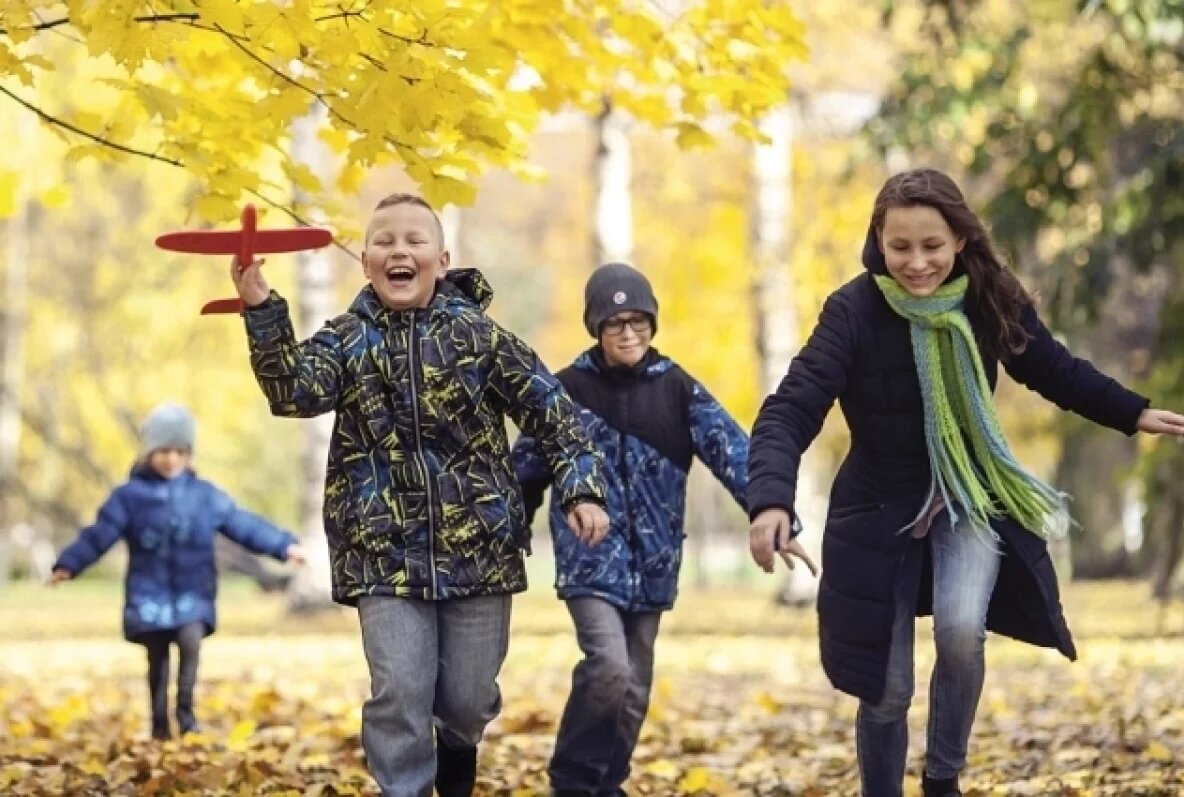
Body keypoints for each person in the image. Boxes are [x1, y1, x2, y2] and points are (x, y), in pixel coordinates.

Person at [746, 168, 1184, 797]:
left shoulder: (988, 296)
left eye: (932, 245)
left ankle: (942, 780)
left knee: (961, 632)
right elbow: (792, 407)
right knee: (888, 686)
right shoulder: (851, 311)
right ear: (879, 238)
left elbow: (1051, 367)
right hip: (879, 509)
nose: (916, 262)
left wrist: (1131, 411)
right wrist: (771, 499)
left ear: (959, 238)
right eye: (899, 246)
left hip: (967, 497)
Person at [229, 192, 610, 797]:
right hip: (380, 550)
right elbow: (293, 392)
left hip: (478, 549)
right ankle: (404, 787)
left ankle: (457, 759)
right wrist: (262, 310)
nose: (398, 250)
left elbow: (554, 414)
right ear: (364, 261)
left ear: (441, 257)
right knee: (401, 692)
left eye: (413, 241)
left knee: (466, 699)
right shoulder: (348, 340)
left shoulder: (481, 338)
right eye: (384, 241)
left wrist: (581, 489)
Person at [513, 263, 811, 796]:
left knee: (633, 686)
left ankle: (609, 783)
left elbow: (734, 452)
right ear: (595, 329)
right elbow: (525, 473)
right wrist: (505, 536)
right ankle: (572, 783)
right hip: (589, 558)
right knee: (607, 666)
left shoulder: (678, 389)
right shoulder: (565, 390)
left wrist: (774, 511)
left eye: (639, 321)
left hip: (655, 563)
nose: (629, 333)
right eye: (615, 323)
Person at [49, 402, 303, 740]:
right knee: (157, 658)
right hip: (149, 595)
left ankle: (186, 714)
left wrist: (284, 546)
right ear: (149, 453)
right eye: (164, 451)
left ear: (189, 454)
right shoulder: (129, 497)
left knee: (190, 643)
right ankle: (158, 723)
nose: (171, 459)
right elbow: (100, 534)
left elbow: (243, 524)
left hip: (192, 593)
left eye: (180, 452)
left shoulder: (205, 496)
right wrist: (69, 563)